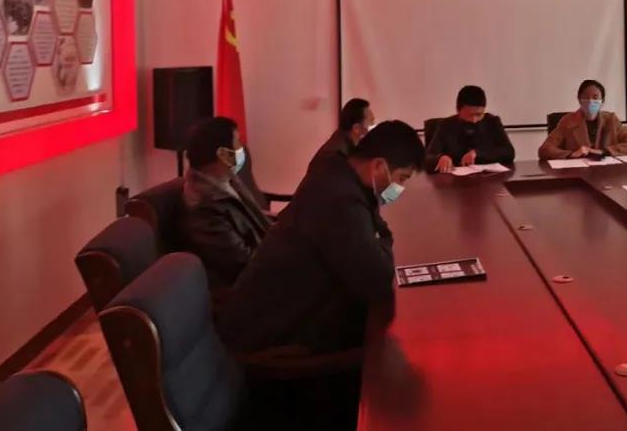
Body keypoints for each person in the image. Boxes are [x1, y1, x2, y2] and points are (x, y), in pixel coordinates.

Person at [218, 121, 424, 356]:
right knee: (390, 352)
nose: (400, 187)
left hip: (275, 318)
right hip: (271, 343)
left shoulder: (336, 170)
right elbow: (378, 280)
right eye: (402, 178)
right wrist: (383, 237)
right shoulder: (340, 200)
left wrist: (378, 236)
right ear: (378, 166)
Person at [180, 117, 273, 292]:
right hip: (249, 289)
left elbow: (259, 222)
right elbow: (243, 263)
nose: (242, 147)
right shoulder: (204, 209)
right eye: (237, 142)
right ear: (223, 154)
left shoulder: (227, 178)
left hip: (269, 262)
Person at [539, 79, 627, 160]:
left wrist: (605, 151)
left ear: (602, 101)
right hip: (577, 173)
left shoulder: (612, 120)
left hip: (607, 172)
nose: (591, 101)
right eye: (586, 97)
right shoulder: (568, 121)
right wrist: (571, 154)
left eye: (595, 97)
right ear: (579, 100)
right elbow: (544, 150)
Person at [426, 85, 515, 173]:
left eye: (479, 114)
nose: (474, 120)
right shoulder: (445, 125)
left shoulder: (492, 122)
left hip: (486, 178)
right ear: (458, 110)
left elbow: (509, 152)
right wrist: (440, 158)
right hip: (454, 179)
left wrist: (477, 153)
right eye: (470, 115)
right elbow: (427, 158)